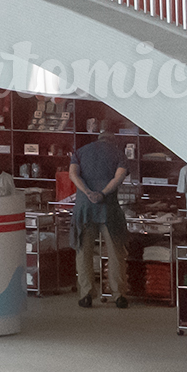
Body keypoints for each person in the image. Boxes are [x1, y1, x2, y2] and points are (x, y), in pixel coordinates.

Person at [70, 114, 130, 309]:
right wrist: (102, 194)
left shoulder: (80, 152)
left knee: (84, 251)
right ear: (113, 139)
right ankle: (119, 294)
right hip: (109, 208)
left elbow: (73, 174)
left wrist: (88, 192)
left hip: (84, 207)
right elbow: (119, 178)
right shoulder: (118, 153)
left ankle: (86, 293)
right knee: (115, 251)